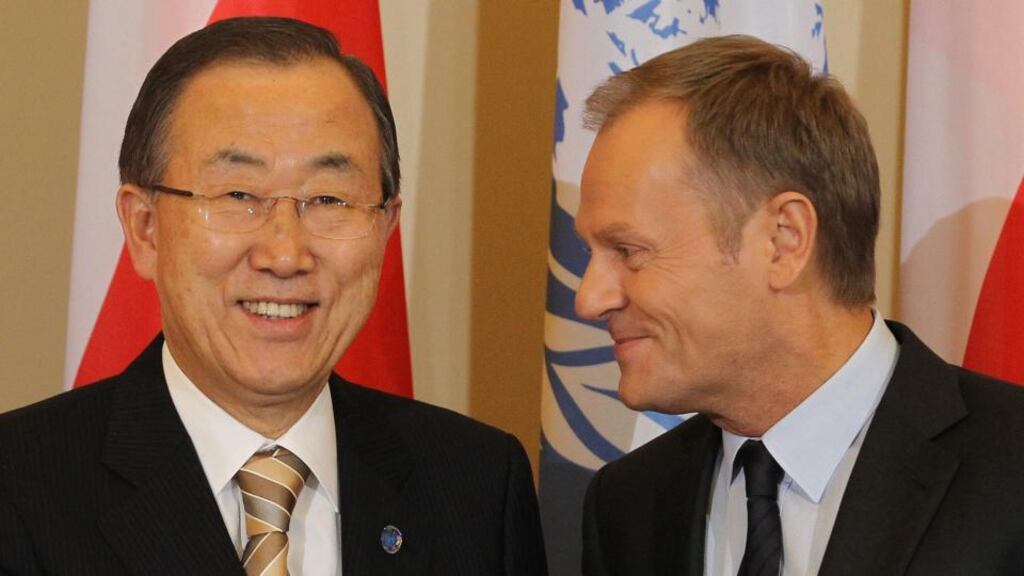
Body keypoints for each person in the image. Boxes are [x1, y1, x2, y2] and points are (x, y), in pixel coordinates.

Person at [0, 17, 546, 576]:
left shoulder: (477, 486)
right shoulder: (19, 486)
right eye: (238, 194)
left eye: (329, 199)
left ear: (386, 227)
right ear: (144, 228)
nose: (285, 255)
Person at [576, 35, 1024, 576]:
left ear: (784, 241)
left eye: (628, 251)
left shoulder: (1011, 469)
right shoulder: (628, 506)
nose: (590, 299)